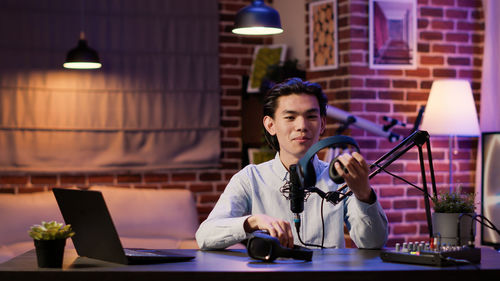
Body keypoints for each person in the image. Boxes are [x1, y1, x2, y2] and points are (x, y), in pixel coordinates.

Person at [196, 78, 388, 250]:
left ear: (322, 124)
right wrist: (253, 222)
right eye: (290, 117)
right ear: (270, 125)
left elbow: (373, 243)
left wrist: (364, 194)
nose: (302, 126)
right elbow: (204, 236)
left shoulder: (340, 176)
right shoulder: (250, 178)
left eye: (311, 117)